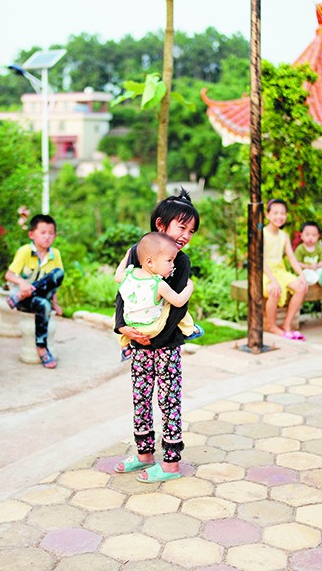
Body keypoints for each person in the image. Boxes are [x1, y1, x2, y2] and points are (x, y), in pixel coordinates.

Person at [112, 188, 199, 483]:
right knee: (140, 398)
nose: (186, 234)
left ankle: (171, 463)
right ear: (161, 224)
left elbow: (177, 305)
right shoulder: (141, 253)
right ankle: (144, 455)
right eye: (181, 226)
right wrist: (122, 326)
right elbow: (123, 293)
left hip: (166, 345)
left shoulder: (180, 262)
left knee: (168, 400)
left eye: (191, 230)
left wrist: (155, 338)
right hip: (138, 343)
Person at [114, 232, 197, 357]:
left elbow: (117, 275)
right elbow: (179, 301)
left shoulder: (128, 275)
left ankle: (124, 347)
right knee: (170, 303)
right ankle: (190, 329)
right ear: (150, 262)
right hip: (151, 329)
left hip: (131, 327)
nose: (173, 265)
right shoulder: (158, 284)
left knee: (117, 314)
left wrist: (126, 256)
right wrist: (190, 286)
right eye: (169, 260)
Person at [4, 214, 64, 369]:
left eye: (51, 233)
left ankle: (24, 294)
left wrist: (56, 304)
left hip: (30, 296)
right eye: (43, 233)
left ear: (55, 236)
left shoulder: (55, 254)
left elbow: (55, 282)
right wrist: (23, 284)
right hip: (25, 300)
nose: (47, 237)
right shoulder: (25, 251)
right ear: (32, 234)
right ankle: (41, 348)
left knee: (58, 274)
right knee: (43, 304)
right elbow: (9, 275)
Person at [262, 199, 308, 340]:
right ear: (267, 215)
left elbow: (292, 258)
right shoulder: (262, 233)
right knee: (274, 290)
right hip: (265, 273)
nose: (279, 216)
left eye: (282, 213)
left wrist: (302, 275)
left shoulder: (284, 235)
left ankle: (286, 324)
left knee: (301, 287)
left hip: (280, 272)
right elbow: (261, 260)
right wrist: (273, 280)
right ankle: (271, 325)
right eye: (275, 213)